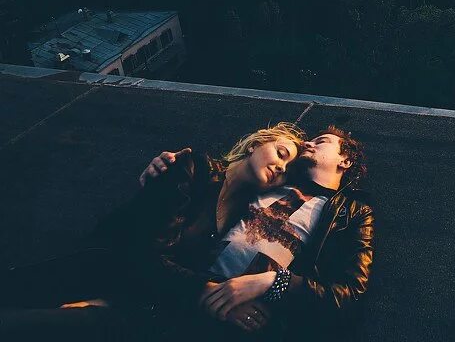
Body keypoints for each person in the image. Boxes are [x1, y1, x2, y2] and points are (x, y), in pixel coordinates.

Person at [0, 122, 307, 340]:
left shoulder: (244, 217)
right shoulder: (192, 168)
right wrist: (211, 292)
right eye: (281, 154)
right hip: (96, 268)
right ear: (255, 144)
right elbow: (143, 250)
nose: (281, 168)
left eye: (287, 172)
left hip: (137, 294)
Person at [139, 126, 374, 340]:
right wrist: (168, 166)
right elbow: (224, 174)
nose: (309, 144)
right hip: (185, 295)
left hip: (251, 326)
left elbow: (350, 295)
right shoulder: (272, 180)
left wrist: (274, 282)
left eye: (321, 141)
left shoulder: (353, 213)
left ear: (345, 160)